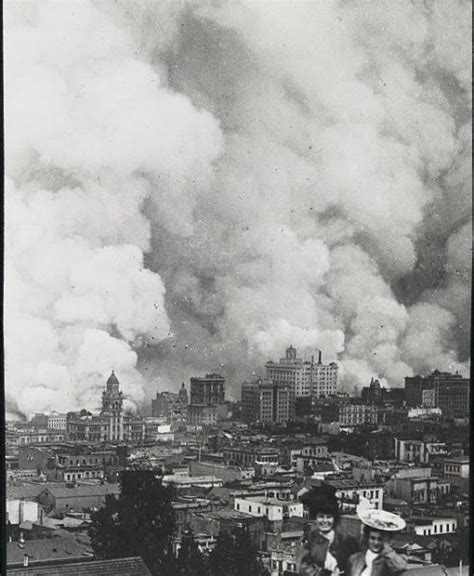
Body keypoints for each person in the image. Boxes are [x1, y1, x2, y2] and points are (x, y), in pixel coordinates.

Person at [297, 483, 359, 576]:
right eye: (321, 517)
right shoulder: (309, 540)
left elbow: (356, 566)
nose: (325, 521)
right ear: (315, 517)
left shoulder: (346, 540)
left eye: (329, 517)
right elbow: (303, 569)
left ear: (334, 518)